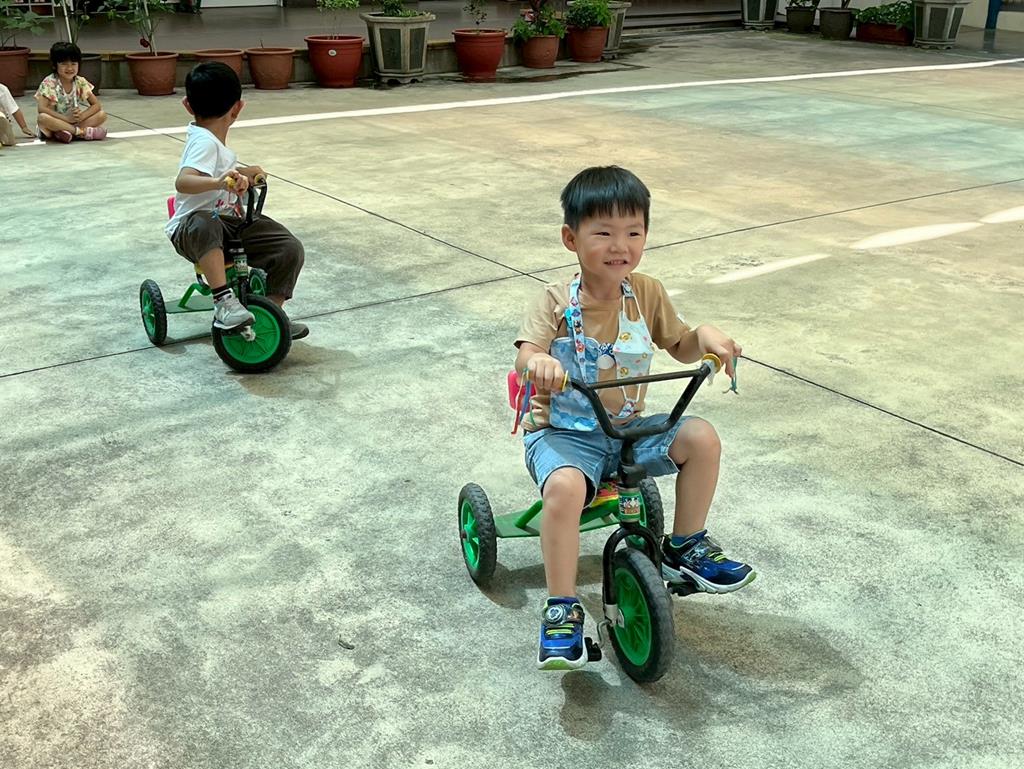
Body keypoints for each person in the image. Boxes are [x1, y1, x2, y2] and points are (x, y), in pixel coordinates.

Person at [514, 166, 756, 671]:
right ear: (571, 239)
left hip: (625, 432)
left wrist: (707, 336)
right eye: (603, 233)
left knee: (702, 438)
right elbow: (527, 353)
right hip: (563, 436)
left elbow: (681, 343)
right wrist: (539, 363)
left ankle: (685, 545)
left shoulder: (646, 293)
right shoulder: (555, 301)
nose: (619, 246)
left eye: (633, 232)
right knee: (565, 489)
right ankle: (561, 607)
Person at [166, 62, 307, 338]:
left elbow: (219, 172)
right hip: (192, 231)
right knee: (206, 220)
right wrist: (220, 183)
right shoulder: (204, 142)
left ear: (187, 105)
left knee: (287, 247)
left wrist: (244, 173)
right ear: (238, 108)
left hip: (227, 225)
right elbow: (183, 181)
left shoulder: (212, 142)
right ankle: (223, 302)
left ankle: (270, 315)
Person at [34, 42, 107, 143]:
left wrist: (82, 116)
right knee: (42, 118)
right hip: (55, 122)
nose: (69, 68)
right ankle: (80, 132)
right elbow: (42, 109)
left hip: (74, 122)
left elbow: (96, 105)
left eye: (73, 64)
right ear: (55, 65)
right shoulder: (49, 82)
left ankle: (66, 132)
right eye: (64, 64)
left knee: (102, 115)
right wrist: (66, 119)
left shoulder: (80, 81)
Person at [0, 83, 35, 147]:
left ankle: (5, 136)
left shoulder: (2, 89)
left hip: (2, 122)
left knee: (1, 113)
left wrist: (24, 127)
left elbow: (14, 109)